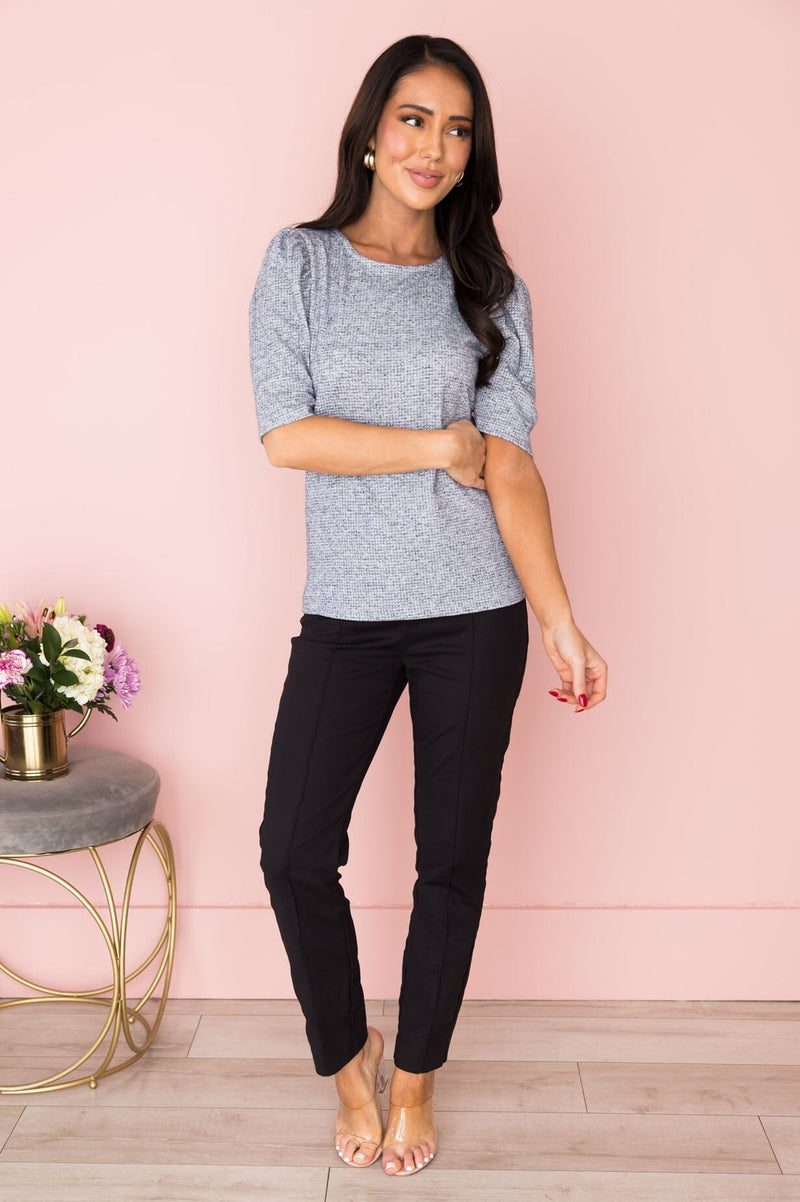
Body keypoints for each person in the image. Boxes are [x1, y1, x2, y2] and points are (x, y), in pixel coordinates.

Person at [248, 33, 608, 1177]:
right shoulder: (299, 263)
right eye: (414, 119)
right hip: (347, 611)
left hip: (474, 613)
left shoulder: (490, 288)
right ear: (369, 131)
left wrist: (557, 616)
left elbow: (510, 465)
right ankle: (345, 1059)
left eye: (457, 129)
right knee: (292, 849)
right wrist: (436, 444)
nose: (434, 147)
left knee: (449, 858)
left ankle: (412, 1082)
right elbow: (287, 434)